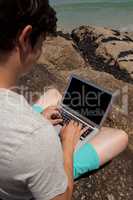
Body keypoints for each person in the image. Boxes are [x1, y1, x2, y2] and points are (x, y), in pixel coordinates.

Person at [0, 0, 128, 200]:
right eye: (42, 42)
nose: (40, 50)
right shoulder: (35, 136)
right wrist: (66, 145)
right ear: (25, 38)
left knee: (53, 95)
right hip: (38, 158)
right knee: (120, 137)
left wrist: (40, 119)